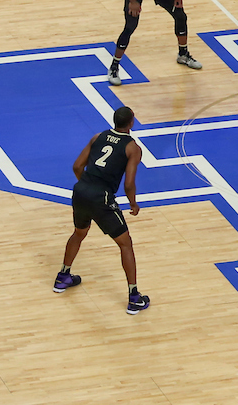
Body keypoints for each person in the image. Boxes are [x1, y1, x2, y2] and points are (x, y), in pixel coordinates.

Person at [53, 106, 150, 317]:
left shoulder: (99, 136)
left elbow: (78, 166)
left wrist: (87, 189)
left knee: (79, 233)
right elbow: (129, 183)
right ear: (131, 122)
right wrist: (133, 203)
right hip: (102, 198)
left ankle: (63, 277)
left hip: (81, 191)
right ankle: (134, 298)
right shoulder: (133, 148)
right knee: (125, 244)